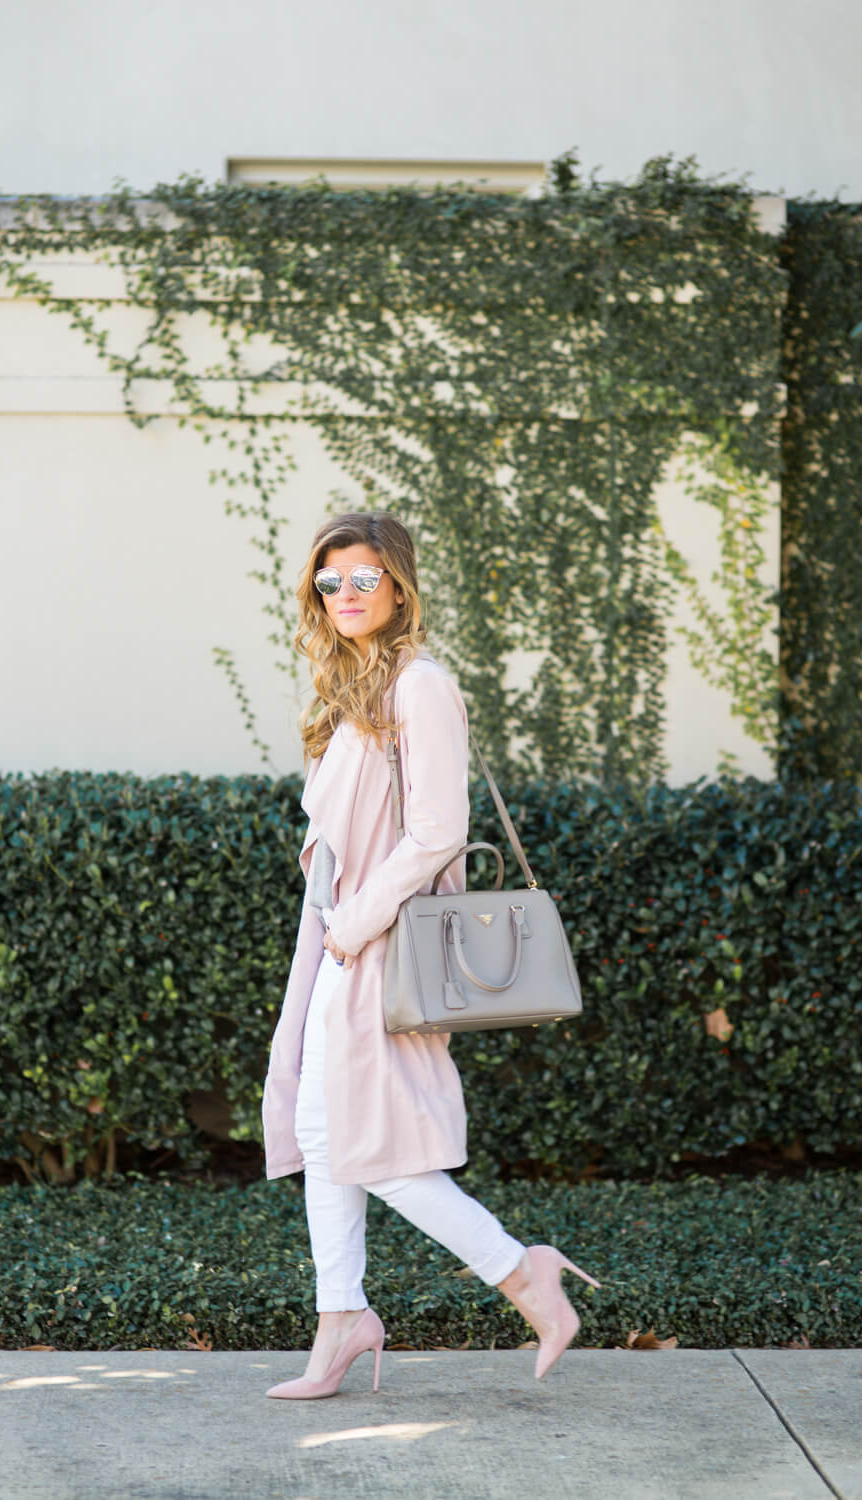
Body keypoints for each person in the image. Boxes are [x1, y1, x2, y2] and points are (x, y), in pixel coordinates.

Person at [261, 510, 598, 1400]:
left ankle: (526, 1275)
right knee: (326, 1135)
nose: (344, 596)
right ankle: (342, 1320)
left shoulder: (419, 685)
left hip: (377, 944)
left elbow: (440, 831)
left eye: (363, 579)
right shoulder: (356, 692)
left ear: (399, 585)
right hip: (340, 946)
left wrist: (354, 923)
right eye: (329, 583)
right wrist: (333, 933)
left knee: (382, 1149)